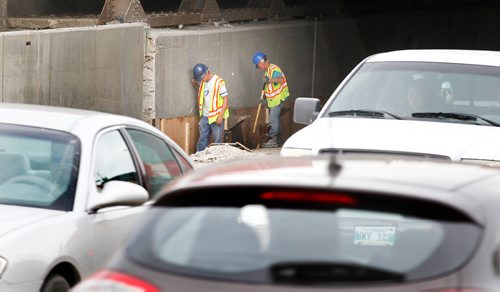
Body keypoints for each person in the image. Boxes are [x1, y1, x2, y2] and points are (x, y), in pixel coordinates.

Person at [252, 52, 290, 148]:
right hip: (273, 100)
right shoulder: (267, 71)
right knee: (275, 119)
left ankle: (273, 140)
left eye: (258, 66)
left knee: (273, 119)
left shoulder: (274, 69)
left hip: (278, 98)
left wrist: (268, 80)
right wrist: (264, 95)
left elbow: (280, 79)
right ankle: (279, 141)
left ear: (261, 62)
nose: (259, 68)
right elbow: (269, 86)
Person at [192, 63, 229, 152]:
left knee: (217, 141)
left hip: (216, 116)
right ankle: (199, 157)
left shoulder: (218, 81)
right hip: (205, 116)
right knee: (202, 140)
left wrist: (220, 115)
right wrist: (196, 84)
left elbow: (226, 99)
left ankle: (216, 160)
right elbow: (206, 93)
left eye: (201, 78)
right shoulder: (203, 82)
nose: (201, 80)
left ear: (207, 73)